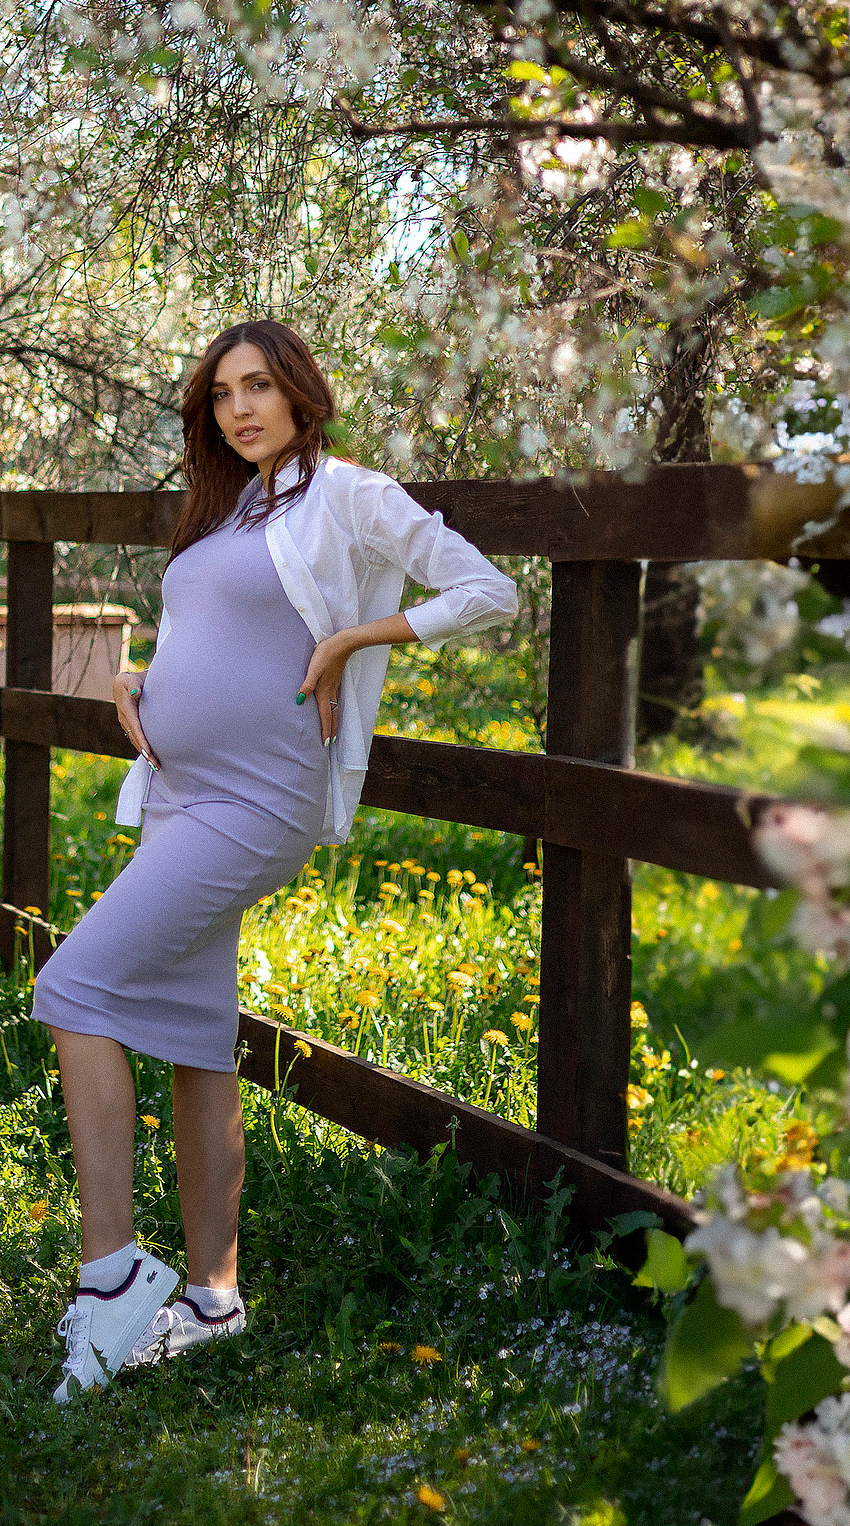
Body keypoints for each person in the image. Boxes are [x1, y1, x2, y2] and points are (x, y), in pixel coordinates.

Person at [31, 320, 518, 1404]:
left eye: (258, 386)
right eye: (219, 394)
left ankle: (110, 1275)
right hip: (179, 790)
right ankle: (213, 1297)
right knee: (199, 1041)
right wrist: (137, 684)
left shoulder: (344, 492)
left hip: (259, 797)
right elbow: (210, 629)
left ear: (301, 391)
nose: (239, 407)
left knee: (73, 986)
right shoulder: (231, 506)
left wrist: (352, 640)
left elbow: (488, 590)